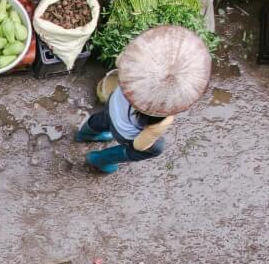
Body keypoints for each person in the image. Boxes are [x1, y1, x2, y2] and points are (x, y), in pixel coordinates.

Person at [75, 25, 212, 174]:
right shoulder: (163, 117)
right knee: (156, 148)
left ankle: (84, 135)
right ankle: (100, 159)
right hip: (123, 130)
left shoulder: (132, 64)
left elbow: (121, 60)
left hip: (113, 103)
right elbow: (140, 145)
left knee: (103, 118)